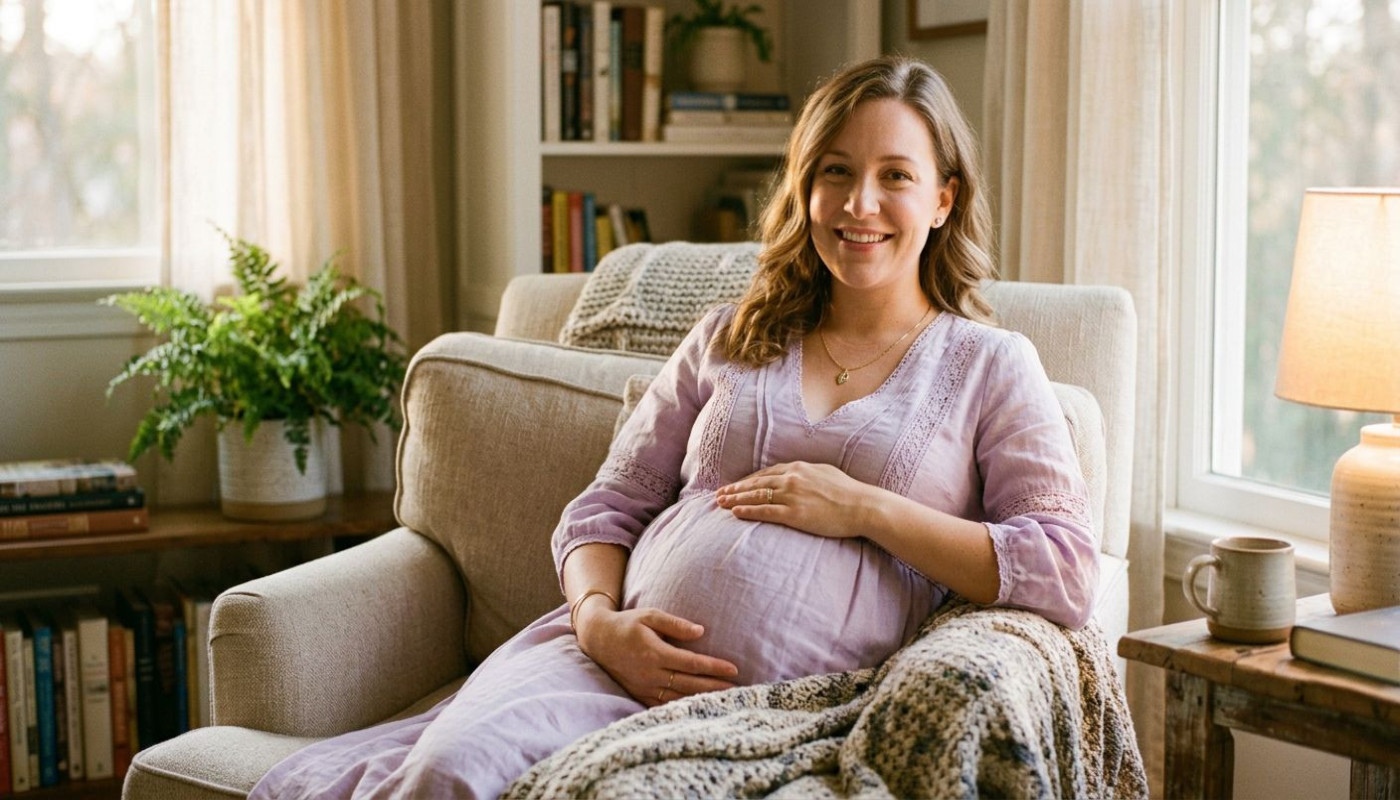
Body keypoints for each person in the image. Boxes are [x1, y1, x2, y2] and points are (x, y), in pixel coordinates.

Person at [250, 54, 1097, 799]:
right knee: (449, 776)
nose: (858, 202)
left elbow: (1062, 571)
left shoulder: (991, 365)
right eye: (833, 171)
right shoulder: (732, 335)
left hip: (788, 704)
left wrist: (865, 509)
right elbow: (606, 508)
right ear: (804, 189)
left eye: (896, 176)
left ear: (944, 198)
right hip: (602, 664)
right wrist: (597, 623)